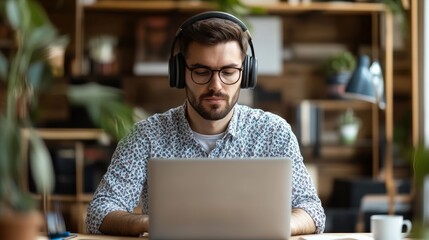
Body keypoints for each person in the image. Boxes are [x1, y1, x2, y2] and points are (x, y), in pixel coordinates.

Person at [86, 11, 326, 236]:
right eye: (201, 71)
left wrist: (273, 225)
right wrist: (152, 223)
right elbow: (99, 212)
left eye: (229, 71)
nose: (216, 86)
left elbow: (312, 211)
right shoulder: (145, 135)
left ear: (246, 73)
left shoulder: (275, 132)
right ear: (180, 73)